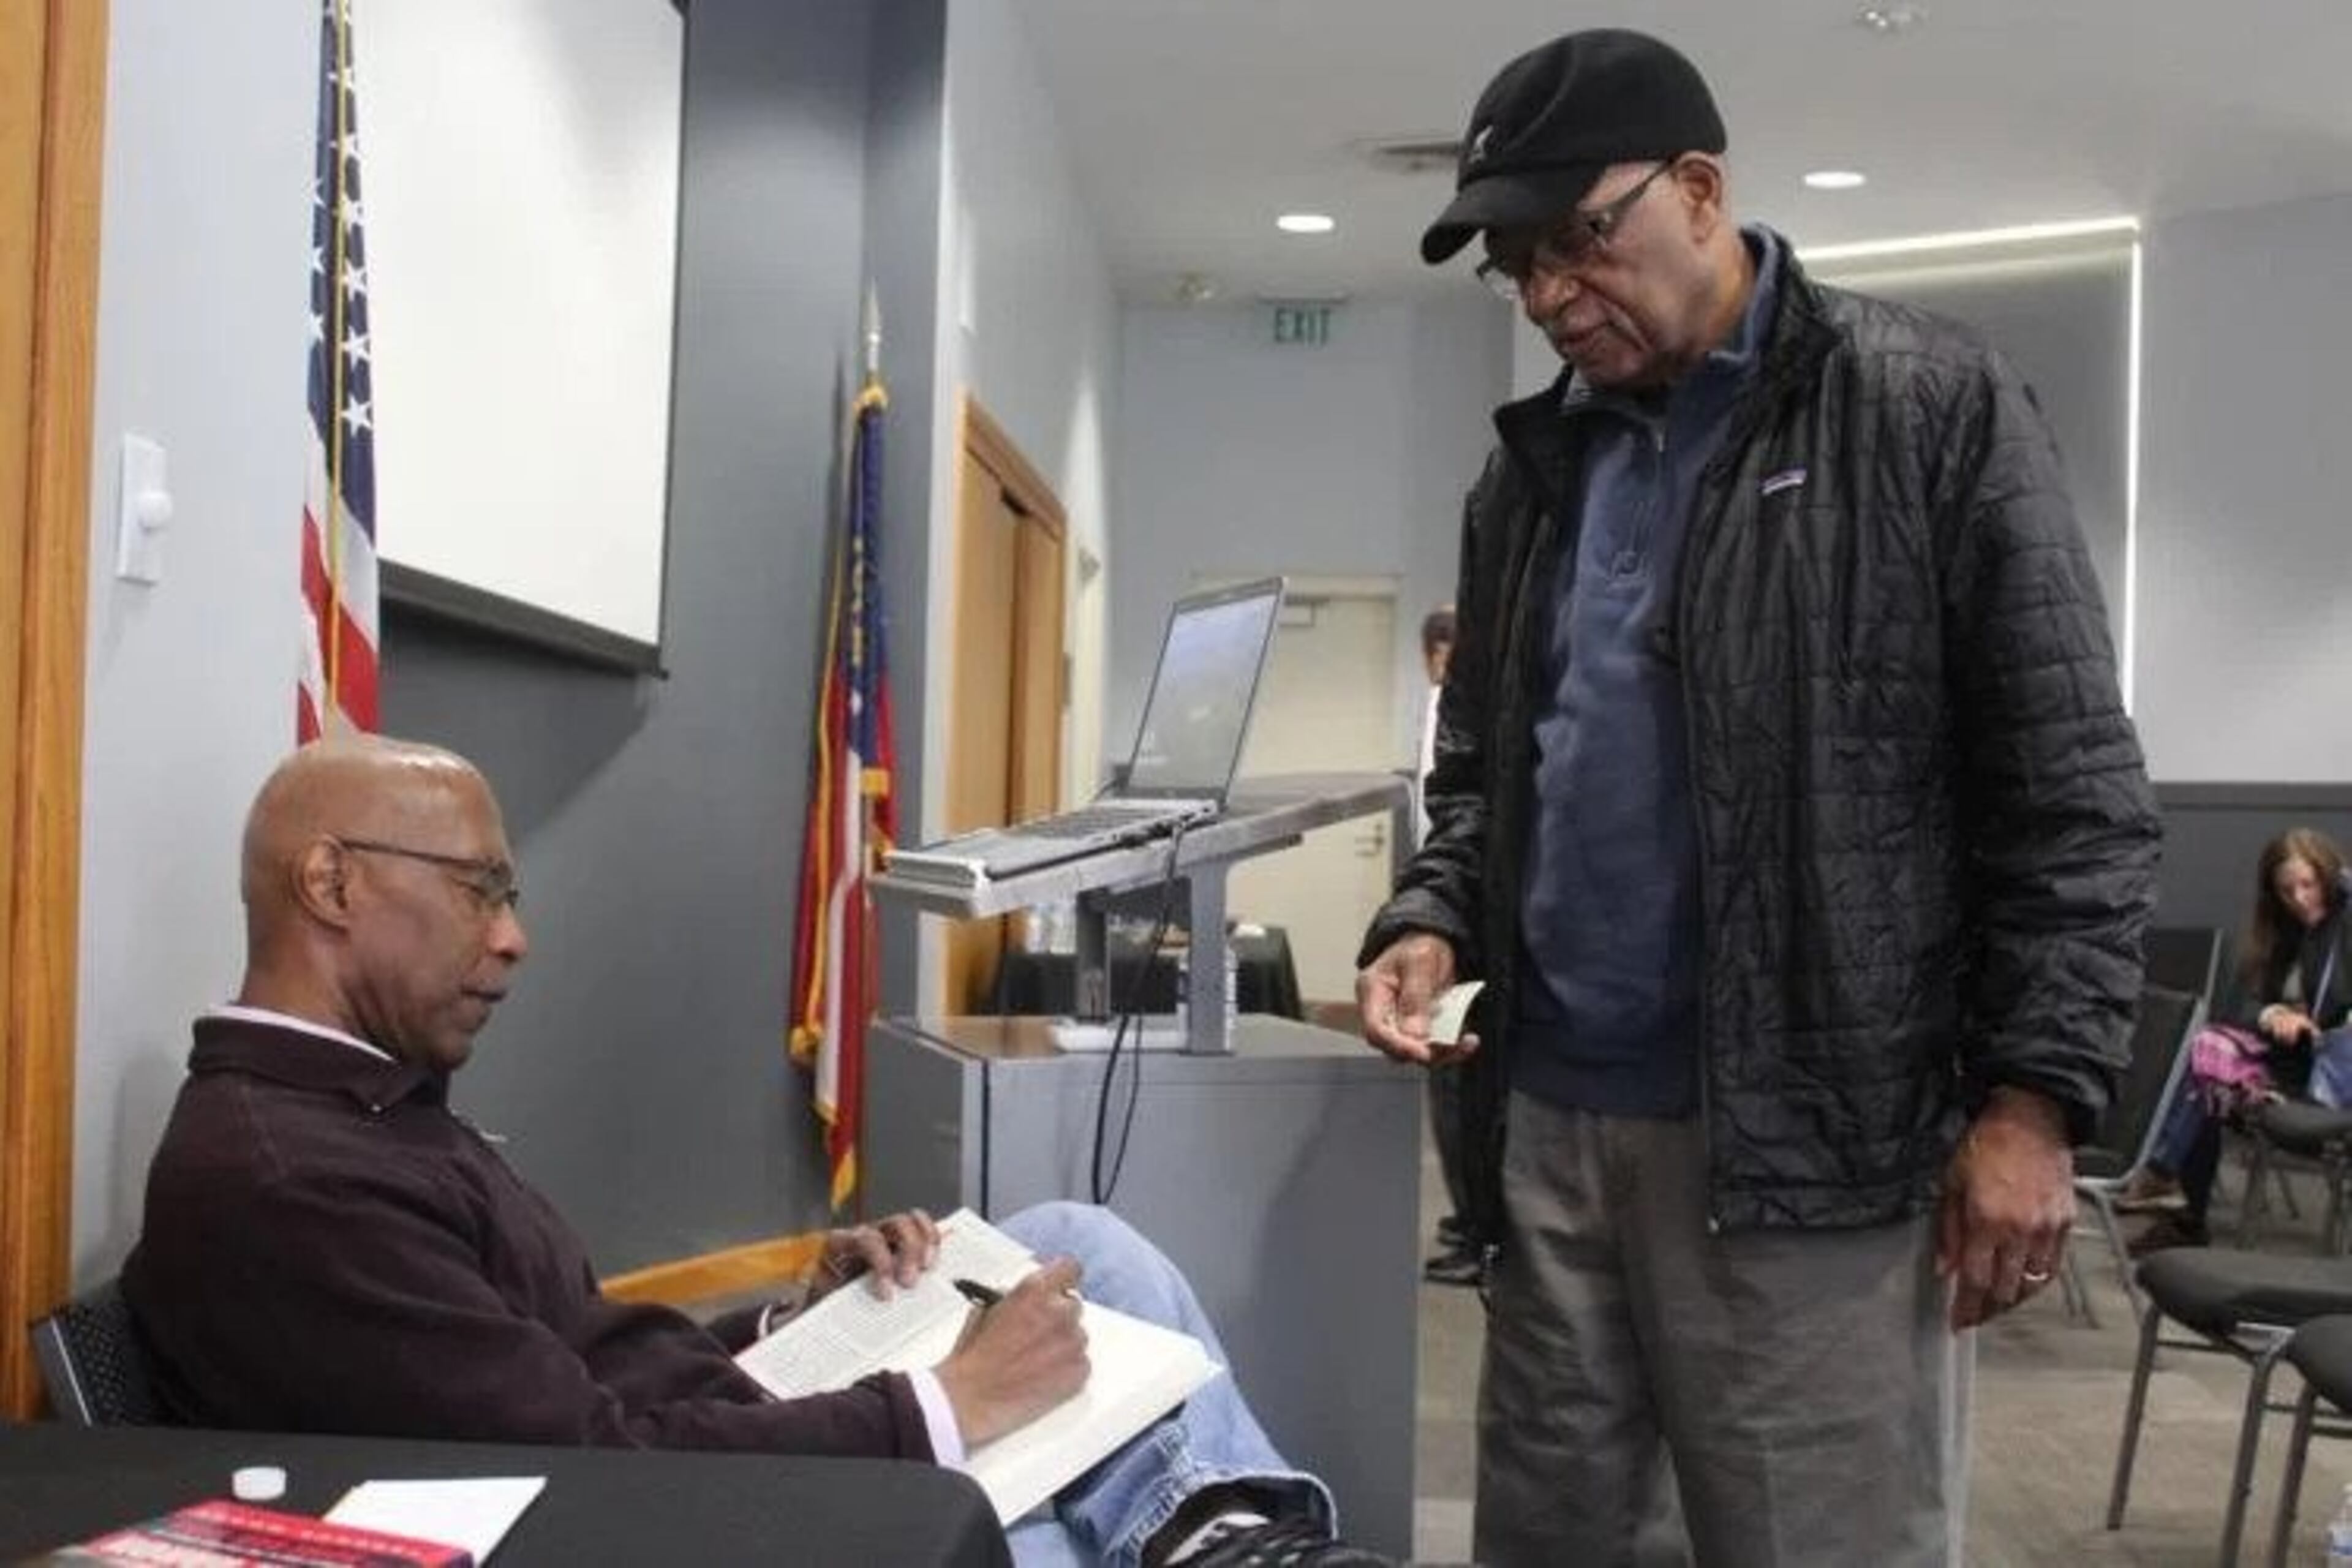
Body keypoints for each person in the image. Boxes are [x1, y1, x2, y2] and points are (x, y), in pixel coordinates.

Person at [1352, 27, 2160, 1568]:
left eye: (1574, 239)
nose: (1543, 293)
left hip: (1813, 1156)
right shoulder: (1524, 479)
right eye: (1512, 264)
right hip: (1547, 1132)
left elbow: (2070, 795)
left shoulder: (1927, 409)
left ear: (1700, 191)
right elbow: (1481, 783)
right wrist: (1432, 912)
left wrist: (2031, 1101)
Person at [121, 737, 1387, 1568]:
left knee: (1078, 1242)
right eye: (480, 890)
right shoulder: (288, 1180)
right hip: (678, 1523)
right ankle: (1218, 1529)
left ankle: (1214, 1527)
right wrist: (948, 1402)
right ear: (332, 884)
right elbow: (582, 1471)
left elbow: (565, 1358)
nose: (514, 938)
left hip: (704, 1438)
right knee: (1061, 1508)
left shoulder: (363, 1111)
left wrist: (798, 1315)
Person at [2120, 827, 2352, 1253]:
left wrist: (2306, 1016)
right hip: (2284, 1067)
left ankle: (2172, 1191)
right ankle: (2172, 1189)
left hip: (2328, 1078)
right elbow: (2235, 1005)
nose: (2300, 899)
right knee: (2209, 1064)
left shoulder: (2342, 927)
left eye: (2309, 884)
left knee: (2207, 1073)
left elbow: (2334, 998)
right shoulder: (2279, 935)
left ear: (2329, 877)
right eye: (2287, 891)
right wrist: (2273, 1012)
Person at [1414, 606, 1479, 1289]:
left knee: (1457, 1076)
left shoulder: (1453, 714)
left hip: (1461, 924)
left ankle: (1472, 1228)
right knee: (1449, 1077)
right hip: (1441, 907)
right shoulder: (1439, 709)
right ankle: (1468, 1223)